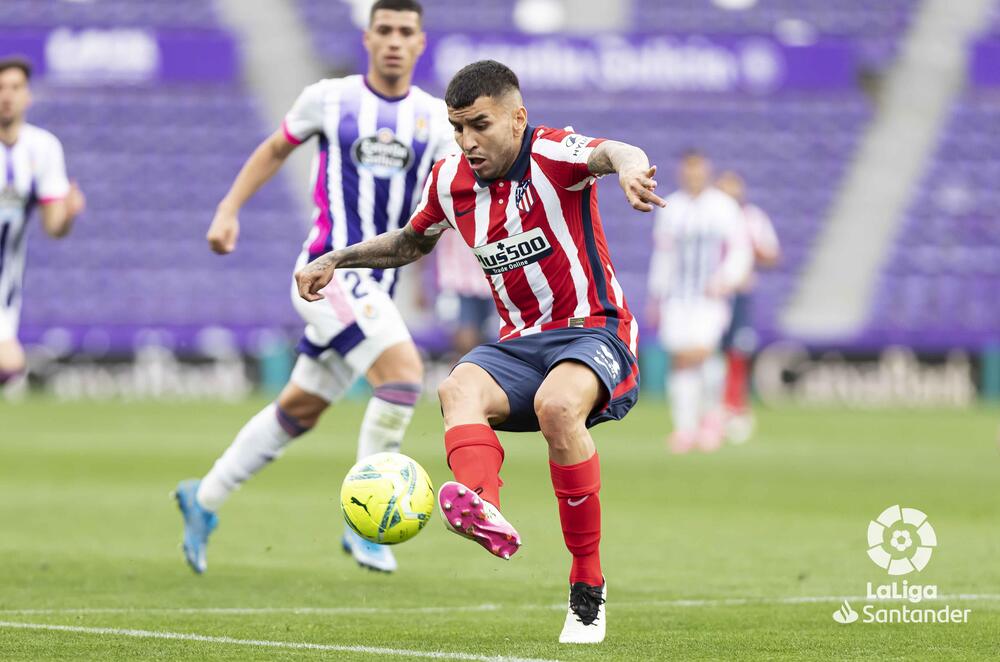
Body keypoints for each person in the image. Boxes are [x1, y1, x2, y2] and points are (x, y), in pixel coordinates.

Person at [296, 59, 665, 644]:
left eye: (480, 125)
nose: (467, 140)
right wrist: (336, 259)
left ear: (517, 118)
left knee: (557, 407)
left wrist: (630, 171)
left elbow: (614, 150)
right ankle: (480, 506)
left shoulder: (551, 154)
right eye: (457, 127)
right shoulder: (449, 181)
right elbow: (410, 242)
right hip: (519, 344)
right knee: (456, 388)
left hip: (596, 330)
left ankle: (587, 590)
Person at [174, 0, 456, 575]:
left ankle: (202, 498)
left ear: (421, 43)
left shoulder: (434, 120)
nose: (395, 41)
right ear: (368, 38)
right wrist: (228, 209)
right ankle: (367, 525)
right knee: (402, 376)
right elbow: (276, 147)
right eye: (385, 30)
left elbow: (452, 199)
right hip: (325, 276)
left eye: (406, 32)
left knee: (299, 410)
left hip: (382, 286)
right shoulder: (330, 98)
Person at [648, 151, 751, 454]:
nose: (693, 175)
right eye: (688, 170)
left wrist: (725, 279)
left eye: (698, 169)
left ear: (706, 171)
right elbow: (663, 255)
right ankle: (684, 428)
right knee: (680, 359)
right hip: (677, 298)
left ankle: (711, 419)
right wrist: (657, 295)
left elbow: (740, 249)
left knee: (703, 353)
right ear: (682, 172)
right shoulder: (671, 208)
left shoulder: (722, 207)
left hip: (709, 298)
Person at [0, 57, 85, 392]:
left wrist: (69, 214)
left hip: (5, 284)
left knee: (11, 365)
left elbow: (54, 228)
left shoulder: (44, 148)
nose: (6, 95)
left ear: (27, 96)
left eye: (15, 88)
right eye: (0, 88)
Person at [715, 170, 780, 443]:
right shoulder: (710, 216)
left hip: (740, 294)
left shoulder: (752, 217)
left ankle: (736, 408)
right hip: (712, 296)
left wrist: (753, 250)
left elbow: (771, 254)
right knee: (711, 353)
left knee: (737, 352)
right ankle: (714, 409)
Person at [434, 228, 497, 356]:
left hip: (465, 277)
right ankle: (469, 367)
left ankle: (470, 368)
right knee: (467, 331)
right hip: (467, 278)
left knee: (469, 330)